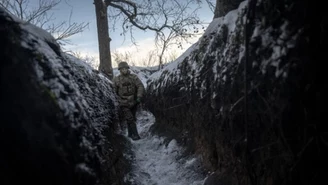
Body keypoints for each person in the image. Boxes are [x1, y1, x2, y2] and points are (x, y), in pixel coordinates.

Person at [113, 61, 145, 140]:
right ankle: (136, 136)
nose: (124, 70)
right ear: (120, 70)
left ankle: (130, 135)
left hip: (134, 101)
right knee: (130, 118)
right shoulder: (116, 79)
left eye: (125, 69)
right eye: (122, 69)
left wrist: (138, 97)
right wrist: (118, 100)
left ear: (127, 69)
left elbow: (140, 86)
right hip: (123, 102)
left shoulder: (134, 77)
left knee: (132, 118)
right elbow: (114, 91)